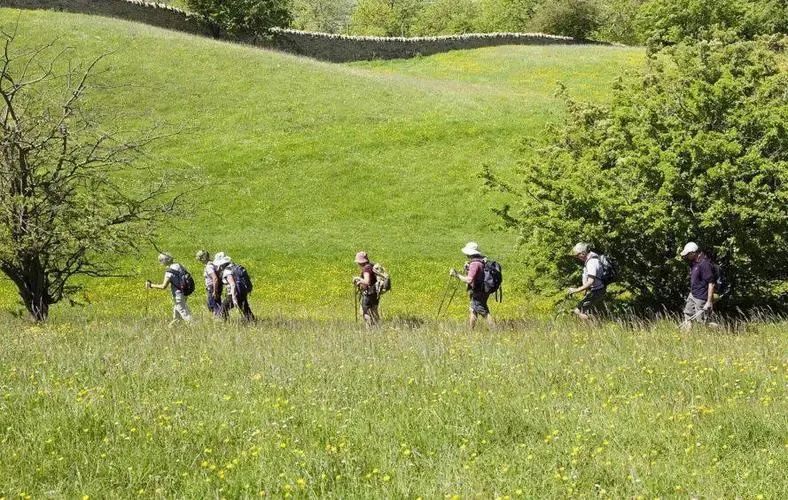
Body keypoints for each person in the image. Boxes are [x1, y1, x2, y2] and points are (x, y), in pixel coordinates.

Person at [450, 241, 494, 329]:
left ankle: (496, 330)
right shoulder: (481, 261)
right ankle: (471, 331)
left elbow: (469, 280)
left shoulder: (474, 264)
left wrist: (456, 275)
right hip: (483, 290)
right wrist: (468, 268)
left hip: (478, 291)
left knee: (483, 311)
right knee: (473, 310)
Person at [145, 252, 193, 326]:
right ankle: (171, 328)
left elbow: (163, 286)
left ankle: (194, 326)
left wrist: (151, 285)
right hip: (185, 292)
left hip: (178, 296)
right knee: (176, 315)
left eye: (161, 260)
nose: (160, 262)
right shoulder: (179, 265)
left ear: (165, 260)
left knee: (184, 313)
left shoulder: (169, 272)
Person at [680, 242, 715, 329]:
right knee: (687, 315)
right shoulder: (694, 263)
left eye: (688, 254)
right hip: (692, 295)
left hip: (701, 298)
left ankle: (718, 329)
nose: (686, 256)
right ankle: (687, 336)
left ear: (693, 253)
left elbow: (711, 283)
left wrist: (709, 302)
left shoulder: (705, 264)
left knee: (702, 322)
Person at [567, 242, 606, 321]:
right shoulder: (591, 259)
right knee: (585, 311)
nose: (577, 257)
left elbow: (591, 281)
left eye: (578, 255)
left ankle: (596, 325)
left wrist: (576, 290)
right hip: (596, 290)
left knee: (578, 311)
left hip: (596, 291)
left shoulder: (591, 262)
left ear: (583, 253)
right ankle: (597, 323)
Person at [214, 252, 255, 322]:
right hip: (242, 292)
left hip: (234, 293)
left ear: (221, 264)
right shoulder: (234, 266)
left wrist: (233, 297)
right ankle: (253, 322)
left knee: (223, 309)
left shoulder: (227, 271)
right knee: (245, 309)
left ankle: (224, 323)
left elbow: (232, 284)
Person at [353, 251, 380, 327]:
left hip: (369, 294)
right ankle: (377, 327)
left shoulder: (366, 269)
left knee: (365, 312)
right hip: (375, 293)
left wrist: (358, 280)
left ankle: (369, 328)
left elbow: (367, 281)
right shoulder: (371, 265)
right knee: (374, 311)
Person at [196, 250, 222, 317]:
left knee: (213, 305)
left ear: (203, 258)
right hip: (216, 287)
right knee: (216, 304)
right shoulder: (212, 264)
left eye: (200, 259)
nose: (199, 261)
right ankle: (222, 318)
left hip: (212, 288)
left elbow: (215, 278)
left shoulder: (209, 267)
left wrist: (214, 291)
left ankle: (218, 319)